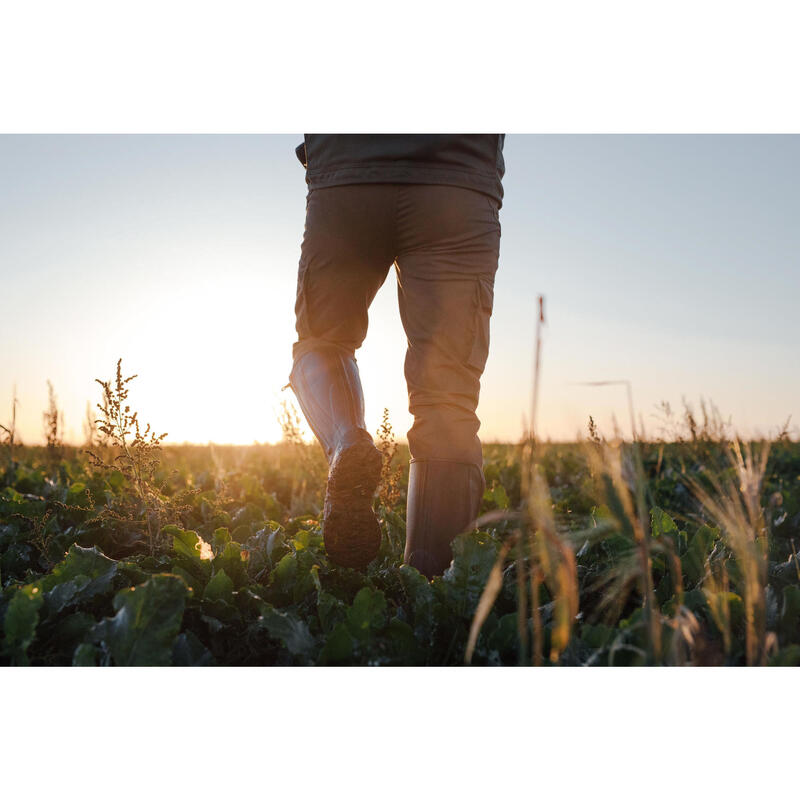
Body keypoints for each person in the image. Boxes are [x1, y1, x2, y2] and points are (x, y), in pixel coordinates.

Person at [289, 134, 505, 577]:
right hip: (456, 181)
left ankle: (346, 440)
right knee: (447, 397)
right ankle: (430, 587)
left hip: (347, 176)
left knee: (323, 341)